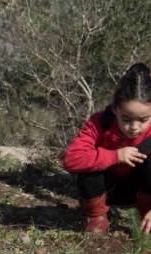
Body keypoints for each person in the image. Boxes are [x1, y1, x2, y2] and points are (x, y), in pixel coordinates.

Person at [63, 62, 151, 234]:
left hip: (139, 190)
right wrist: (115, 156)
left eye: (143, 120)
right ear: (115, 108)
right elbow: (71, 160)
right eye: (126, 119)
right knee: (89, 164)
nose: (134, 127)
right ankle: (97, 217)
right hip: (107, 190)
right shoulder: (101, 123)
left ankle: (145, 216)